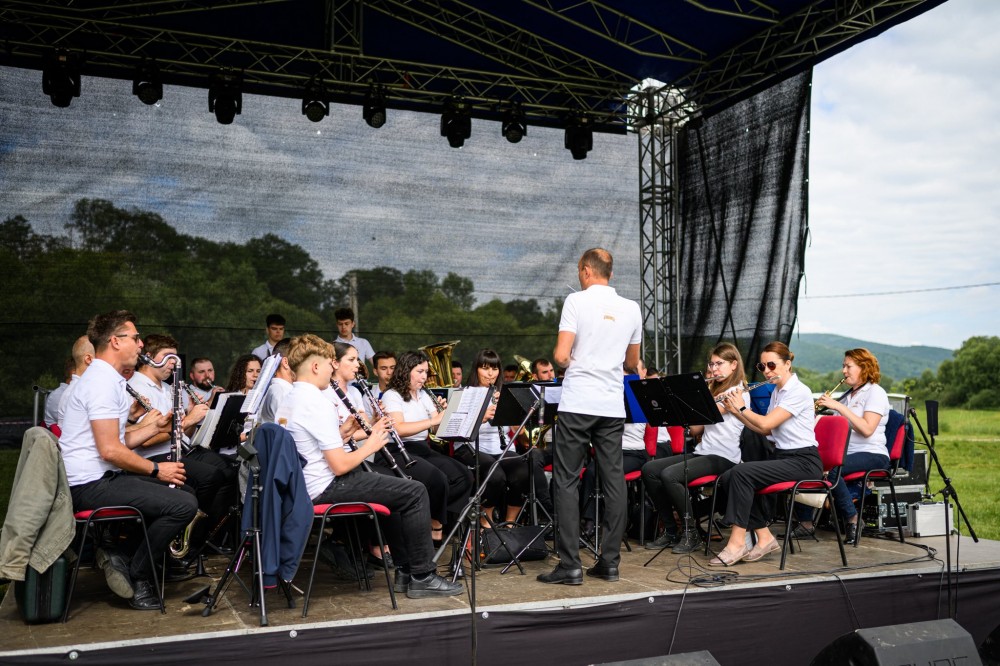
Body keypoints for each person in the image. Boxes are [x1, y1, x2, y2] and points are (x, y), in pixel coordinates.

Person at [275, 334, 462, 599]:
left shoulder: (293, 397)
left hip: (308, 481)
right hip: (326, 486)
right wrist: (371, 444)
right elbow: (339, 465)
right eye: (329, 363)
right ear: (315, 366)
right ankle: (422, 576)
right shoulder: (316, 402)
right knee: (415, 491)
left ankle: (406, 571)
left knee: (401, 491)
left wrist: (345, 431)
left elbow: (312, 446)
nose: (332, 369)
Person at [59, 310, 198, 610]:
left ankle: (122, 554)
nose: (139, 345)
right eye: (135, 338)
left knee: (184, 493)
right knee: (183, 504)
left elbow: (118, 440)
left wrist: (155, 427)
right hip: (89, 485)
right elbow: (110, 450)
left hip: (101, 478)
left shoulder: (106, 379)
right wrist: (157, 468)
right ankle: (139, 577)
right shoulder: (100, 382)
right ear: (115, 341)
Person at [539, 248, 642, 586]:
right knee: (614, 482)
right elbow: (631, 364)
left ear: (585, 270)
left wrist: (577, 361)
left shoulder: (577, 302)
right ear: (609, 272)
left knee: (567, 480)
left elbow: (560, 355)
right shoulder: (632, 308)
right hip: (611, 407)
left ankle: (570, 565)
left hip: (578, 401)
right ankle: (609, 562)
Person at [129, 334, 238, 571]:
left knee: (231, 471)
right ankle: (190, 538)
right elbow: (145, 441)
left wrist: (196, 417)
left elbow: (180, 430)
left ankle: (205, 536)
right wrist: (189, 418)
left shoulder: (169, 388)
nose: (173, 363)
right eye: (167, 357)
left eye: (175, 358)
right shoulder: (137, 386)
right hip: (153, 456)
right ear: (148, 358)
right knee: (211, 477)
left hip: (180, 448)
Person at [711, 341, 821, 566]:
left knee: (741, 473)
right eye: (762, 367)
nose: (767, 371)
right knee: (730, 476)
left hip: (804, 460)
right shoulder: (777, 392)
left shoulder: (799, 391)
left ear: (787, 364)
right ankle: (764, 537)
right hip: (783, 457)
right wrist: (736, 411)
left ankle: (737, 543)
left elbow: (767, 422)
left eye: (772, 365)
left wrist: (742, 408)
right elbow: (765, 429)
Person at [642, 343, 750, 554]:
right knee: (649, 470)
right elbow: (696, 428)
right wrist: (683, 406)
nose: (714, 368)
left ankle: (691, 532)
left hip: (724, 457)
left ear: (734, 365)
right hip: (704, 451)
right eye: (712, 364)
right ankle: (671, 530)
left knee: (670, 475)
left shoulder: (739, 392)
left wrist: (698, 394)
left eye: (720, 364)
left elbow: (711, 411)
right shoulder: (715, 391)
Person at [794, 348, 890, 544]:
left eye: (848, 366)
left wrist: (838, 407)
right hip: (847, 454)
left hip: (873, 453)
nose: (844, 371)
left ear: (864, 367)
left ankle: (852, 518)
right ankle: (805, 523)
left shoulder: (875, 392)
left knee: (835, 469)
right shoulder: (847, 396)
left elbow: (867, 429)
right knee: (808, 465)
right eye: (843, 366)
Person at [382, 350, 473, 543]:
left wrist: (446, 414)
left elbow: (437, 427)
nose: (424, 377)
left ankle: (432, 518)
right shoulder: (392, 395)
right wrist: (432, 419)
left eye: (425, 372)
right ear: (406, 371)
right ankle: (434, 525)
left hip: (422, 447)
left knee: (463, 476)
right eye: (420, 371)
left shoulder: (423, 395)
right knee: (437, 480)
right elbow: (398, 429)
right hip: (399, 450)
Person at [451, 349, 532, 527]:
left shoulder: (503, 392)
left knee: (523, 472)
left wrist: (512, 412)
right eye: (485, 368)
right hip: (471, 447)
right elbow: (457, 430)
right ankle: (486, 523)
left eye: (494, 369)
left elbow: (519, 433)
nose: (490, 374)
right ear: (476, 370)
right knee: (495, 476)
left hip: (501, 448)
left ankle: (510, 524)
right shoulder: (464, 393)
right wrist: (482, 416)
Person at [53, 335, 96, 427]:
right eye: (102, 356)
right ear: (89, 359)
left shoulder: (79, 389)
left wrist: (131, 418)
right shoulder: (81, 392)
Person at [260, 339, 294, 423]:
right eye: (299, 358)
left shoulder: (279, 389)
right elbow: (288, 429)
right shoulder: (282, 391)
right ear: (285, 362)